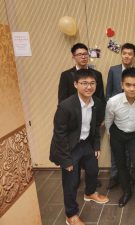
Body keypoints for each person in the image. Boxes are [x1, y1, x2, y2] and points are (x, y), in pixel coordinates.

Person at [50, 69, 109, 225]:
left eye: (92, 83)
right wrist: (66, 160)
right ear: (76, 84)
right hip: (69, 148)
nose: (88, 87)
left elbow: (96, 126)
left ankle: (89, 193)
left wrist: (96, 145)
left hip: (86, 143)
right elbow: (59, 135)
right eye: (84, 83)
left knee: (93, 170)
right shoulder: (66, 106)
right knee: (71, 182)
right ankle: (71, 214)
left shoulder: (97, 103)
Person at [105, 67, 135, 222]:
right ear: (122, 84)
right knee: (121, 165)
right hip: (117, 135)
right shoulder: (113, 102)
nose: (132, 88)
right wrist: (112, 138)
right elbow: (108, 121)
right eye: (128, 85)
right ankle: (127, 192)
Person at [58, 43, 106, 189]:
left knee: (91, 151)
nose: (84, 57)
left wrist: (101, 117)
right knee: (75, 151)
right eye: (80, 54)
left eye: (86, 54)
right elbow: (62, 98)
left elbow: (100, 97)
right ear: (73, 57)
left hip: (91, 119)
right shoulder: (66, 75)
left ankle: (91, 180)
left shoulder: (96, 74)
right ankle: (75, 178)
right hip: (73, 123)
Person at [105, 43, 135, 190]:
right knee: (115, 148)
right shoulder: (113, 70)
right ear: (121, 54)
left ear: (134, 56)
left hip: (130, 116)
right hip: (115, 116)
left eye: (130, 54)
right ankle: (114, 175)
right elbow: (108, 92)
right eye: (125, 53)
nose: (127, 56)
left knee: (129, 150)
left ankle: (128, 175)